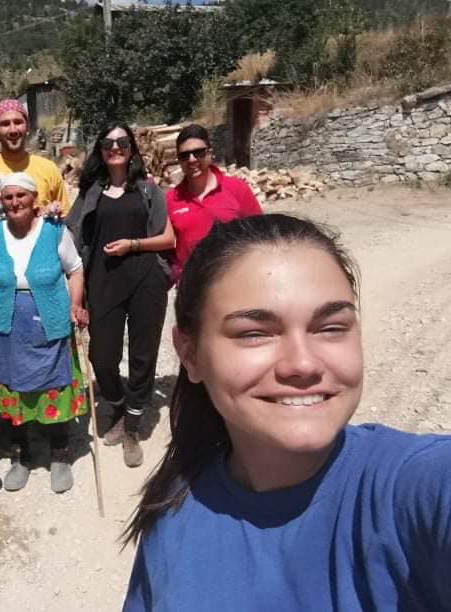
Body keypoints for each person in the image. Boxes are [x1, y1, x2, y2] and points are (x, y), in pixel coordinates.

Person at [123, 214, 451, 610]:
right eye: (254, 333)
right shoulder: (171, 512)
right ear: (189, 354)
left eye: (330, 327)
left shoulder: (413, 487)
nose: (303, 364)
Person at [65, 123, 175, 469]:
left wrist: (134, 245)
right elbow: (70, 233)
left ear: (132, 148)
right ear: (99, 150)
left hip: (146, 280)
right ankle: (115, 401)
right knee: (102, 355)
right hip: (103, 280)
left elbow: (168, 239)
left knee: (143, 355)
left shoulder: (147, 189)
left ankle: (131, 425)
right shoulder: (90, 192)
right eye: (108, 143)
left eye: (122, 142)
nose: (116, 148)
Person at [0, 173, 89, 493]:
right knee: (14, 387)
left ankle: (59, 454)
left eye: (21, 196)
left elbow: (75, 269)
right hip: (9, 322)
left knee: (53, 383)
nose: (15, 202)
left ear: (34, 200)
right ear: (2, 202)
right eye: (8, 197)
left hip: (50, 317)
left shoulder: (54, 231)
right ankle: (22, 456)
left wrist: (76, 304)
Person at [166, 123, 263, 283]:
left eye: (198, 152)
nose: (191, 159)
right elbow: (168, 249)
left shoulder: (237, 189)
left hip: (236, 282)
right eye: (184, 155)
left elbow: (260, 234)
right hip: (193, 288)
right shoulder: (170, 199)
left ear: (210, 153)